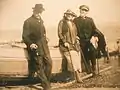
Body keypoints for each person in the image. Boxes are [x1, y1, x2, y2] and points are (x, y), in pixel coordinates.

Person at [22, 4, 52, 90]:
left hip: (44, 46)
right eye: (37, 12)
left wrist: (46, 38)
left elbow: (43, 33)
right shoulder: (28, 21)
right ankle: (46, 85)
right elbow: (25, 36)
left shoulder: (41, 21)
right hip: (35, 46)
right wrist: (30, 44)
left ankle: (46, 82)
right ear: (34, 11)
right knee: (39, 66)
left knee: (49, 63)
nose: (39, 14)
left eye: (40, 12)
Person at [74, 5, 104, 75]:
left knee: (92, 51)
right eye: (82, 10)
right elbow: (73, 31)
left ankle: (94, 69)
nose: (83, 12)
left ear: (87, 12)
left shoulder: (90, 20)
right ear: (80, 10)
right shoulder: (75, 20)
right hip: (80, 41)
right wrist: (75, 37)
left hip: (89, 40)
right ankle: (88, 69)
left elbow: (95, 30)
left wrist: (95, 36)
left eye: (85, 11)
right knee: (84, 54)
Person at [58, 9, 83, 83]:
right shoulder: (62, 22)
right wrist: (64, 41)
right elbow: (60, 33)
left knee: (77, 56)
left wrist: (77, 38)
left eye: (71, 15)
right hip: (65, 45)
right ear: (65, 15)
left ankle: (77, 73)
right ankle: (77, 76)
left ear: (72, 16)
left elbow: (75, 33)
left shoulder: (73, 23)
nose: (69, 16)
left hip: (73, 44)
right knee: (71, 58)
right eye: (68, 14)